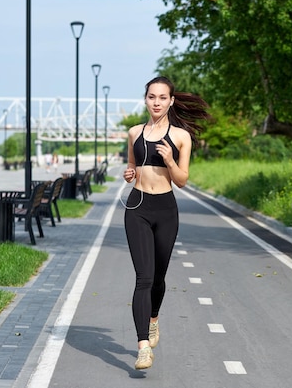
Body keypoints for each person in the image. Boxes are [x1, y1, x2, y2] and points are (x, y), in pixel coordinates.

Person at [122, 76, 211, 370]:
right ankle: (143, 347)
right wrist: (130, 174)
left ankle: (154, 319)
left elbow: (182, 181)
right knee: (143, 278)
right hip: (137, 207)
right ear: (145, 99)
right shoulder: (134, 133)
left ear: (171, 101)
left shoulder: (182, 136)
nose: (156, 102)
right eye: (151, 97)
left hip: (165, 209)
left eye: (162, 97)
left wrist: (170, 160)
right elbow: (132, 166)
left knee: (158, 278)